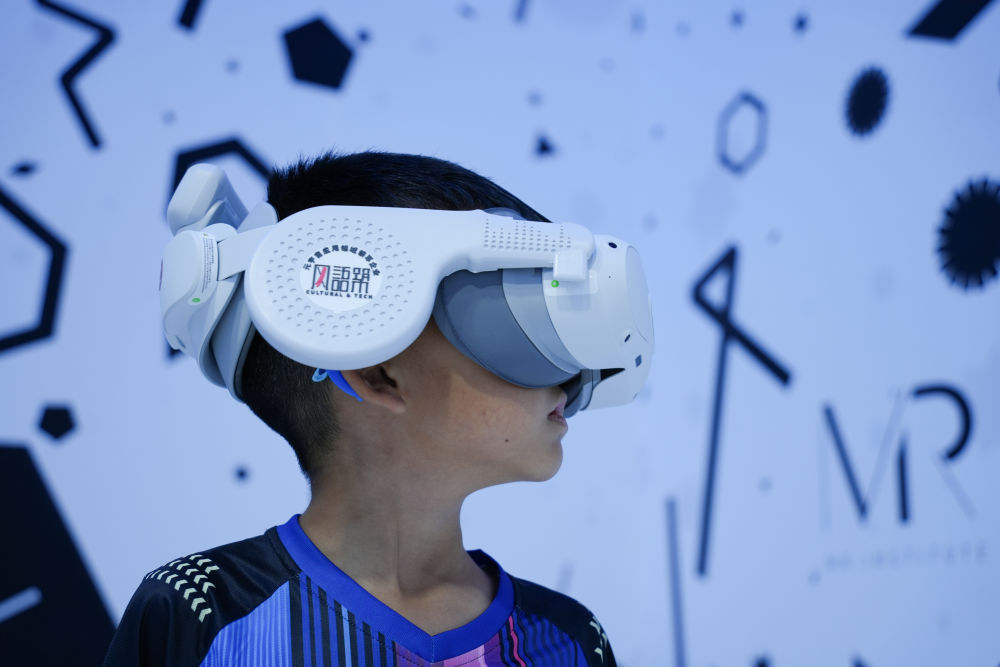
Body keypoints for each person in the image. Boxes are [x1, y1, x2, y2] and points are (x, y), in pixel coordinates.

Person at [104, 151, 640, 666]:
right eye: (518, 322)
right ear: (378, 373)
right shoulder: (199, 616)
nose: (570, 377)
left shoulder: (572, 641)